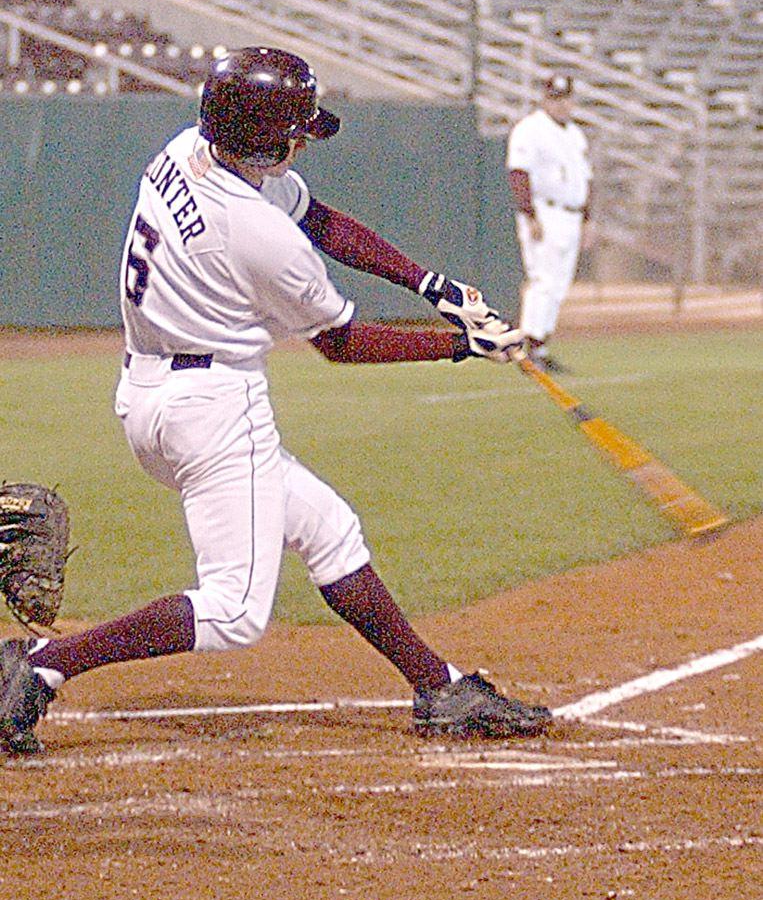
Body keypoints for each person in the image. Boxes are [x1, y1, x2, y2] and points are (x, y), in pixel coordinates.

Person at [0, 46, 552, 757]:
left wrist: (433, 287)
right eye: (293, 132)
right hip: (214, 410)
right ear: (267, 142)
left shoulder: (184, 150)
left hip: (149, 393)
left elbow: (319, 220)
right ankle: (39, 667)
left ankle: (437, 686)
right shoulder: (257, 236)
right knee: (232, 610)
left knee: (327, 528)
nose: (301, 143)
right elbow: (341, 342)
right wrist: (462, 347)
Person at [506, 73, 592, 373]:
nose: (561, 104)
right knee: (543, 279)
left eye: (565, 98)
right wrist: (529, 214)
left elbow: (585, 179)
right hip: (545, 210)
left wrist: (586, 219)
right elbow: (519, 173)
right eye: (555, 98)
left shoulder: (575, 134)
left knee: (559, 284)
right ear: (545, 99)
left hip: (570, 213)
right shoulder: (530, 129)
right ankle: (530, 347)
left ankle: (541, 345)